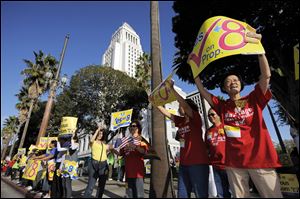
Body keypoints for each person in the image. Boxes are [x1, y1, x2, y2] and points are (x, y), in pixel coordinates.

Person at [193, 31, 283, 198]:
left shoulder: (254, 98)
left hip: (260, 159)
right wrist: (195, 72)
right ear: (225, 89)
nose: (232, 82)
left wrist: (260, 51)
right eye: (228, 81)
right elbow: (203, 92)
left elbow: (266, 76)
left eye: (236, 80)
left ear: (241, 85)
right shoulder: (222, 105)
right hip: (234, 163)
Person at [152, 80, 209, 198]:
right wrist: (154, 102)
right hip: (183, 164)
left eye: (180, 106)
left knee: (200, 194)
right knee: (182, 194)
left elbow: (185, 105)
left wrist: (171, 89)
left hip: (198, 163)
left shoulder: (196, 118)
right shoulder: (181, 121)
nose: (179, 107)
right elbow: (166, 113)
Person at [112, 120, 149, 198]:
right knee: (129, 195)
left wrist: (135, 146)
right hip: (128, 173)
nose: (132, 127)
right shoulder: (126, 141)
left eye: (134, 126)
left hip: (138, 174)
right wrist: (112, 149)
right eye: (131, 126)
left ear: (138, 128)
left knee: (139, 195)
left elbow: (145, 152)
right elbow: (120, 154)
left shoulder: (141, 140)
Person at [205, 108, 231, 198]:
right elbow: (207, 148)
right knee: (221, 194)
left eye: (212, 114)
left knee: (236, 192)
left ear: (219, 115)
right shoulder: (208, 131)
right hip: (216, 167)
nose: (210, 117)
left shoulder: (227, 126)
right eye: (209, 115)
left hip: (230, 166)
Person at [83, 125, 111, 198]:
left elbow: (107, 153)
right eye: (99, 133)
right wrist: (97, 130)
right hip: (93, 164)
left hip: (103, 164)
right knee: (91, 186)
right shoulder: (93, 142)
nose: (100, 135)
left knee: (101, 186)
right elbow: (91, 140)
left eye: (101, 134)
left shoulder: (104, 144)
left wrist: (110, 149)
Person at [60, 133, 79, 198]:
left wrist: (72, 138)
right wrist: (60, 167)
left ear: (75, 139)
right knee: (63, 184)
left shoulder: (76, 144)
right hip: (65, 167)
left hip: (71, 167)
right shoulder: (68, 147)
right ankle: (64, 196)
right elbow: (64, 157)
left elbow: (73, 147)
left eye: (73, 139)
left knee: (67, 184)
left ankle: (68, 196)